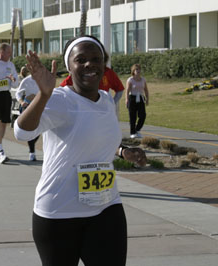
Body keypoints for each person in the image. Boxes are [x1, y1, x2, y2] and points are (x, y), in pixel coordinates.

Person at [14, 36, 146, 266]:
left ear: (104, 66)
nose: (89, 64)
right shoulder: (59, 99)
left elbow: (95, 137)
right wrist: (44, 95)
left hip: (106, 206)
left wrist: (122, 150)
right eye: (81, 59)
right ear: (69, 66)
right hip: (60, 212)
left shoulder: (105, 100)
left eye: (96, 59)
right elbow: (22, 132)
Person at [60, 66, 125, 110]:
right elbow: (61, 90)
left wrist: (111, 103)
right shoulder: (80, 73)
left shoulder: (108, 72)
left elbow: (120, 89)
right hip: (83, 111)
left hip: (102, 110)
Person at [15, 74, 40, 161]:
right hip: (27, 105)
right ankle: (32, 152)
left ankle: (32, 146)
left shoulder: (43, 79)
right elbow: (18, 93)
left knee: (38, 129)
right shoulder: (26, 80)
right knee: (30, 129)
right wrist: (21, 102)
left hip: (39, 105)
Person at [125, 64, 149, 139]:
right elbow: (127, 90)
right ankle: (132, 132)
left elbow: (146, 90)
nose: (138, 71)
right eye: (136, 70)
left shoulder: (143, 80)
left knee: (142, 115)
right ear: (133, 71)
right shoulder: (130, 80)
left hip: (141, 98)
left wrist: (147, 98)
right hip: (132, 98)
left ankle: (137, 129)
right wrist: (127, 99)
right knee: (133, 116)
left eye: (139, 69)